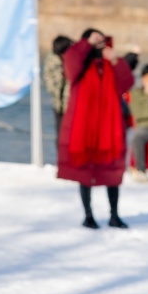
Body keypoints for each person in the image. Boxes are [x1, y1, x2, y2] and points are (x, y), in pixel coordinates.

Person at [57, 29, 134, 230]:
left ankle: (114, 215)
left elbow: (127, 84)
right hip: (85, 125)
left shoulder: (110, 65)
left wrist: (117, 61)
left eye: (101, 39)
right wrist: (86, 44)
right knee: (85, 170)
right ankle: (88, 215)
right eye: (94, 39)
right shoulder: (80, 65)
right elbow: (71, 65)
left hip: (108, 125)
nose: (98, 43)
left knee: (112, 171)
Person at [43, 35, 73, 157]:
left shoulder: (73, 58)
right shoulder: (52, 61)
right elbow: (49, 80)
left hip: (71, 103)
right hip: (59, 104)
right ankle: (62, 159)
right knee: (61, 134)